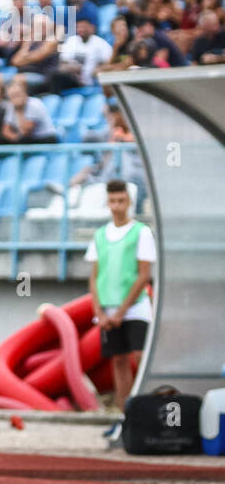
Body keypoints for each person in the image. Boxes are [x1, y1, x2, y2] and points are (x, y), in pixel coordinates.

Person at [85, 179, 156, 447]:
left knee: (139, 356)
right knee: (119, 362)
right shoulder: (100, 235)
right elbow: (94, 277)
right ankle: (126, 417)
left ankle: (144, 410)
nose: (116, 207)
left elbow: (143, 276)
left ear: (129, 202)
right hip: (109, 309)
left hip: (135, 307)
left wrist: (122, 311)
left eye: (121, 201)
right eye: (113, 201)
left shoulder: (141, 232)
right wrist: (100, 313)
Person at [0, 76, 59, 144]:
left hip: (46, 138)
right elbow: (5, 131)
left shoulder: (34, 104)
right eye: (12, 96)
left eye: (17, 95)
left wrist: (19, 110)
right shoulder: (11, 106)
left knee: (23, 140)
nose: (15, 98)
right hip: (27, 139)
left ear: (25, 93)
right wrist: (14, 138)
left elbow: (26, 131)